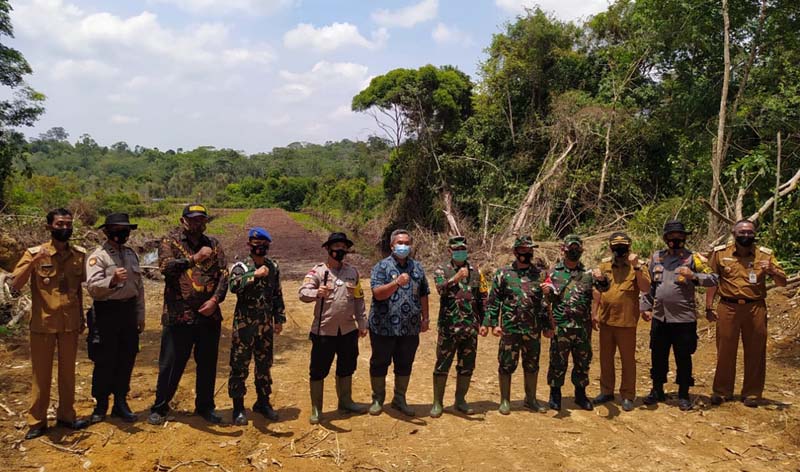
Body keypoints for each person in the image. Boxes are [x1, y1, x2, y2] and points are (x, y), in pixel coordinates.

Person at [12, 208, 89, 439]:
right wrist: (33, 262)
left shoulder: (79, 254)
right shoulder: (35, 253)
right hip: (43, 324)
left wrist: (82, 316)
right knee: (41, 375)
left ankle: (67, 416)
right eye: (59, 224)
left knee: (68, 374)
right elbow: (15, 284)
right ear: (49, 227)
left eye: (68, 224)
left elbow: (78, 290)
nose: (65, 228)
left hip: (70, 324)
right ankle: (37, 421)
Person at [148, 204, 228, 425]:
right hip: (179, 315)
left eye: (201, 220)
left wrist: (214, 300)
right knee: (171, 363)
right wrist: (194, 259)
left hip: (208, 316)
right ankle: (160, 407)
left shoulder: (214, 244)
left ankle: (205, 406)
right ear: (183, 221)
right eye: (193, 220)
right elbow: (165, 267)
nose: (197, 223)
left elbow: (224, 274)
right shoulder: (170, 242)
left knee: (207, 363)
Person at [706, 220, 786, 407]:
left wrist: (772, 270)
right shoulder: (720, 253)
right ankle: (722, 391)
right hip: (728, 307)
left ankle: (752, 393)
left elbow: (783, 282)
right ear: (734, 233)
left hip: (755, 308)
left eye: (750, 232)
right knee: (725, 350)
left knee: (755, 351)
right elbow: (712, 281)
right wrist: (708, 306)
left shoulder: (765, 255)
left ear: (755, 234)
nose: (746, 235)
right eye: (742, 232)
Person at [640, 220, 717, 411]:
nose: (676, 239)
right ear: (666, 238)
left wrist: (694, 276)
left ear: (684, 237)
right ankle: (657, 389)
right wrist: (645, 306)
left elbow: (714, 279)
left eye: (679, 236)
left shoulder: (693, 258)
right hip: (660, 317)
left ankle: (683, 393)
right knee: (658, 355)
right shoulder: (657, 258)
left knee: (683, 356)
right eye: (672, 236)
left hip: (684, 318)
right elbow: (650, 285)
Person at [299, 232, 368, 424]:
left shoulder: (352, 273)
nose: (340, 250)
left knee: (347, 367)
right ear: (328, 249)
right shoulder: (318, 272)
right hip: (324, 331)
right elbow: (302, 293)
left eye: (343, 247)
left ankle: (345, 402)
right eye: (336, 247)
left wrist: (362, 323)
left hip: (347, 330)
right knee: (318, 370)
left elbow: (359, 299)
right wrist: (316, 292)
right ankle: (317, 409)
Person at [85, 213, 145, 424]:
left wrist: (140, 315)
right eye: (118, 229)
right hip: (106, 312)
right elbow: (92, 288)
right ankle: (101, 405)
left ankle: (121, 402)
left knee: (126, 357)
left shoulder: (131, 254)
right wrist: (111, 280)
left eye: (126, 229)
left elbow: (139, 288)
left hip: (128, 312)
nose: (123, 233)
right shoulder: (98, 256)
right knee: (104, 359)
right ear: (107, 231)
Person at [481, 236, 550, 415]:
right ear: (515, 252)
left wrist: (548, 325)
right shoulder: (503, 274)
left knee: (532, 364)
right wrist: (493, 323)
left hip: (532, 328)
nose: (527, 253)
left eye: (530, 250)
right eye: (523, 250)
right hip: (510, 328)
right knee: (506, 363)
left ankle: (531, 399)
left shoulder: (540, 274)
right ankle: (505, 400)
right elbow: (494, 301)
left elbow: (546, 303)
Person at [367, 229, 430, 416]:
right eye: (400, 242)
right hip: (383, 327)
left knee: (405, 363)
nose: (404, 246)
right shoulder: (381, 267)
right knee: (379, 362)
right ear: (392, 245)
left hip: (410, 327)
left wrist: (425, 318)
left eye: (407, 243)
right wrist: (396, 283)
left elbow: (424, 293)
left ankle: (399, 399)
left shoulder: (417, 267)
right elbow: (377, 294)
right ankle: (378, 399)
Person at [545, 234, 610, 411]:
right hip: (561, 326)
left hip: (582, 327)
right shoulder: (553, 273)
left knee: (582, 361)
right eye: (570, 248)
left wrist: (603, 278)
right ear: (563, 250)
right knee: (558, 361)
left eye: (577, 249)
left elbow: (603, 289)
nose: (573, 252)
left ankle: (580, 394)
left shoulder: (588, 274)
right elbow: (546, 301)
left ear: (581, 250)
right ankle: (555, 393)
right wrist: (548, 324)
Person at [228, 227, 285, 425]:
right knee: (239, 365)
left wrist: (279, 318)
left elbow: (277, 294)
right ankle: (238, 407)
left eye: (263, 245)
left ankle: (263, 402)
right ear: (249, 246)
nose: (260, 248)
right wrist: (255, 275)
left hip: (265, 326)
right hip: (244, 326)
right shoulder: (241, 266)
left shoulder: (273, 266)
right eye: (256, 245)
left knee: (264, 365)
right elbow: (234, 286)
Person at [592, 232, 649, 412]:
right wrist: (594, 313)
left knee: (627, 360)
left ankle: (627, 395)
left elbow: (646, 288)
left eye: (623, 247)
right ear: (611, 247)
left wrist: (637, 267)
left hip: (626, 322)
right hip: (606, 321)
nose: (619, 250)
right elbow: (598, 291)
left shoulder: (637, 266)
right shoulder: (604, 265)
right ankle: (607, 391)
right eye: (616, 247)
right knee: (606, 359)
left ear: (629, 247)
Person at [431, 236, 487, 417]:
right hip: (449, 327)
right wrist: (454, 279)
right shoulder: (442, 269)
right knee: (442, 365)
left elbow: (482, 298)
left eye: (462, 248)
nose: (460, 252)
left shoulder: (476, 272)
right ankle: (438, 403)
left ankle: (460, 400)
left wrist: (484, 322)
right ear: (449, 251)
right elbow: (440, 289)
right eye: (456, 249)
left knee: (467, 366)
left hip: (470, 328)